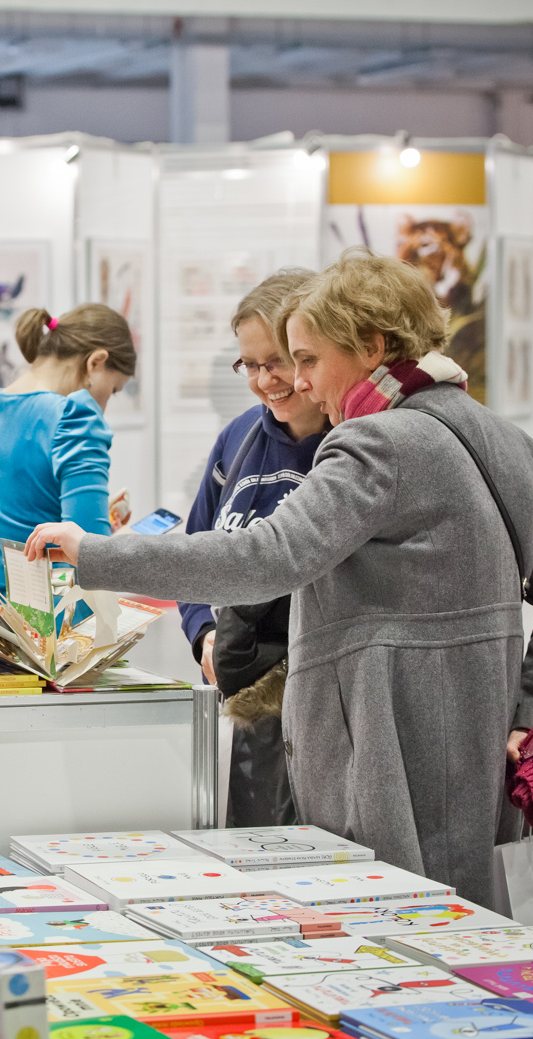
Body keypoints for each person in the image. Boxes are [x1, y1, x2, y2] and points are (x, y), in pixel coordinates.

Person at [25, 248, 533, 908]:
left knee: (391, 949)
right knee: (472, 953)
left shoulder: (374, 443)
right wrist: (531, 714)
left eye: (307, 358)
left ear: (373, 346)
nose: (298, 381)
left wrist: (98, 553)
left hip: (386, 764)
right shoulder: (509, 442)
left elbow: (264, 557)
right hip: (487, 770)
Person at [179, 269, 329, 827]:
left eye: (279, 362)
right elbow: (196, 554)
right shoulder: (239, 435)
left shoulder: (352, 444)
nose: (266, 380)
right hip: (237, 698)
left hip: (313, 704)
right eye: (250, 365)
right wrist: (205, 634)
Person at [0, 303, 136, 593]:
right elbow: (94, 566)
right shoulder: (75, 421)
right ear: (95, 362)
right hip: (59, 631)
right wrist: (122, 539)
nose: (106, 404)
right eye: (113, 389)